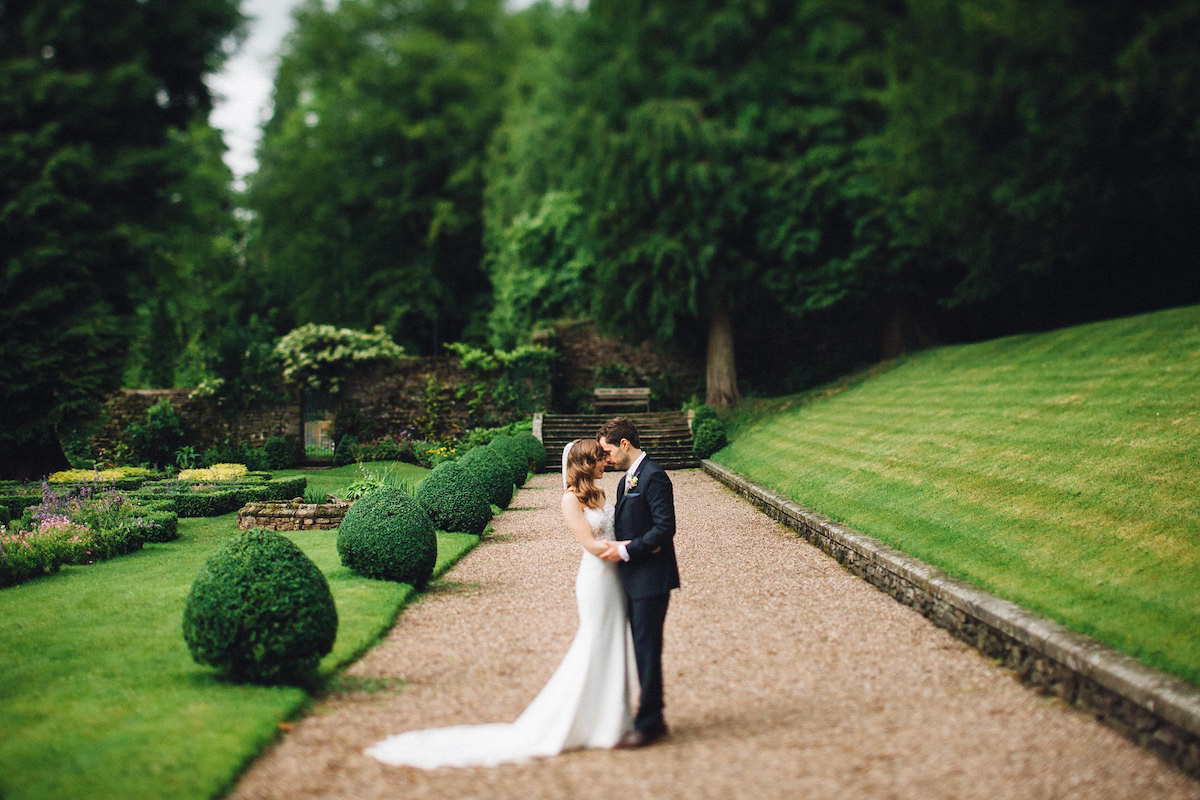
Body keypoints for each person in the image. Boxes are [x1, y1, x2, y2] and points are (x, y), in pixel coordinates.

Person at [366, 438, 635, 768]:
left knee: (614, 642)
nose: (604, 462)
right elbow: (592, 545)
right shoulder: (570, 500)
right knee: (595, 641)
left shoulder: (602, 494)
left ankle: (611, 719)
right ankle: (582, 720)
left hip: (615, 580)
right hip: (596, 578)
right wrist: (635, 547)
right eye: (598, 459)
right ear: (583, 464)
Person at [596, 416, 680, 749]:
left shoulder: (654, 476)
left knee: (647, 649)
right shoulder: (626, 480)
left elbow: (664, 529)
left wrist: (627, 549)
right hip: (631, 578)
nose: (607, 459)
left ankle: (651, 722)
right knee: (638, 648)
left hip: (650, 578)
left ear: (624, 445)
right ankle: (647, 715)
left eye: (608, 452)